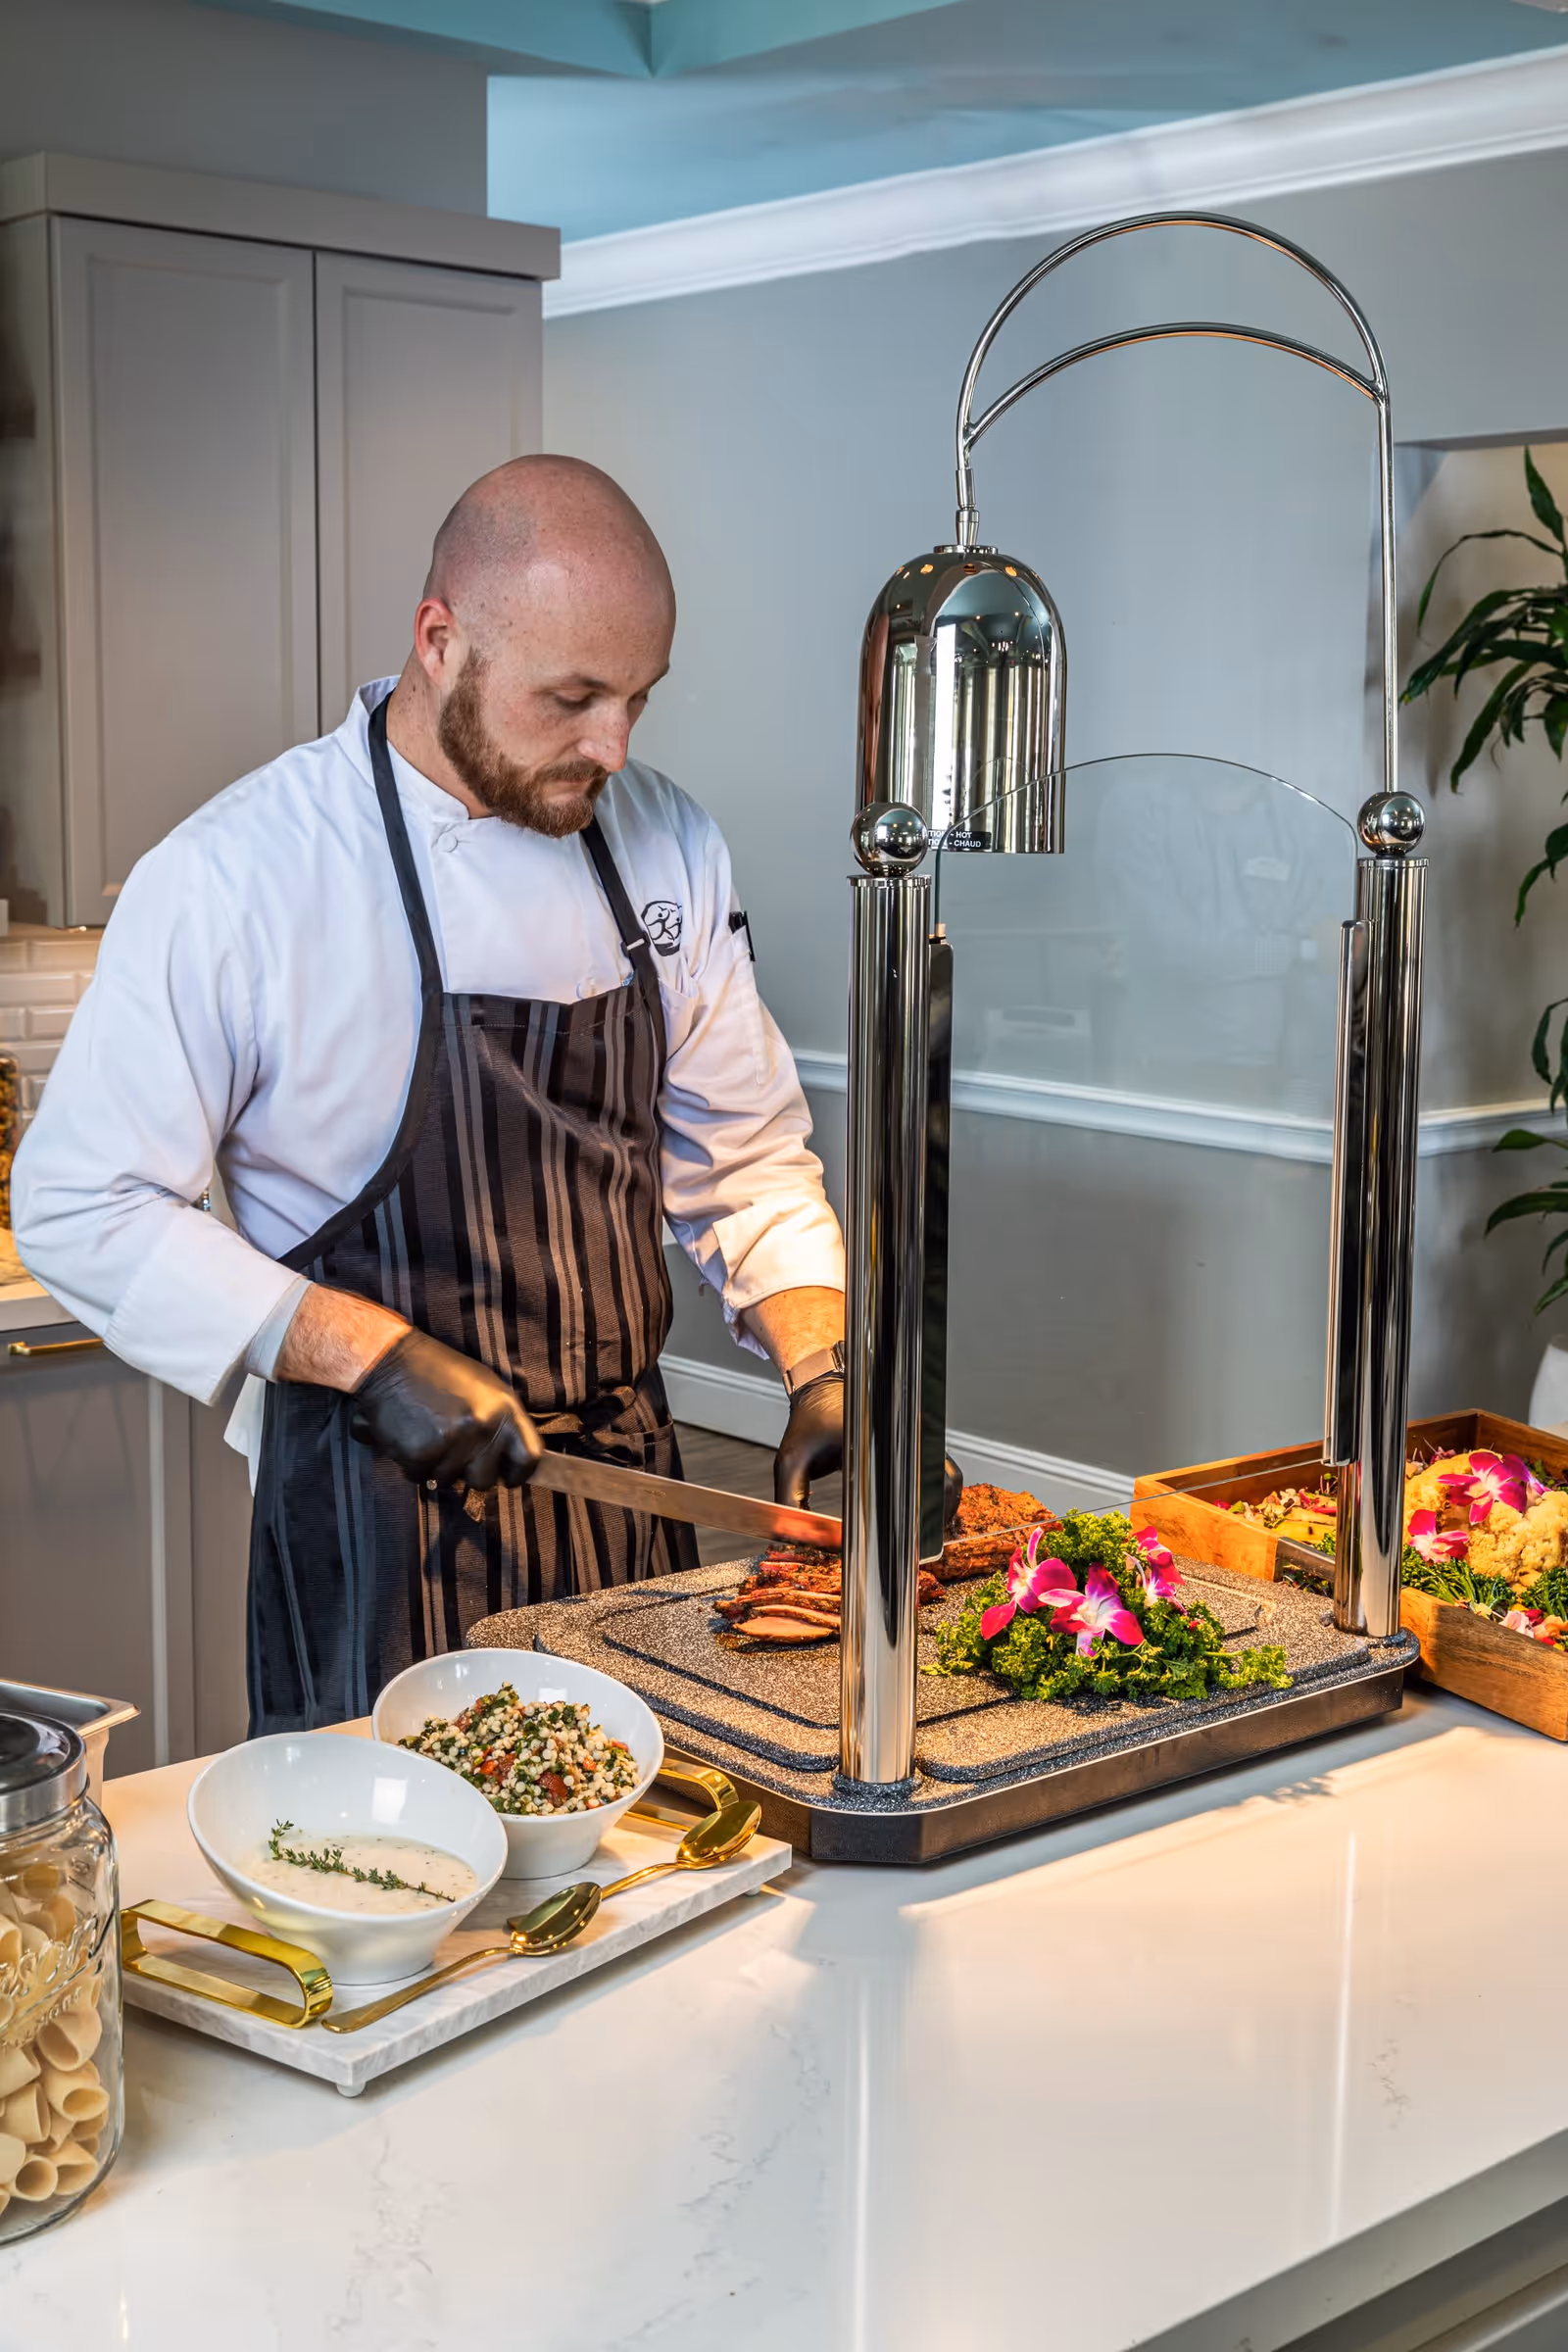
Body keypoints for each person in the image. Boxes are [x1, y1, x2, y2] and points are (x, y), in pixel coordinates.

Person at [13, 456, 848, 1732]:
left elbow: (741, 1154)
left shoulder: (667, 838)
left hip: (628, 1495)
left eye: (639, 698)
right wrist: (365, 1353)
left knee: (666, 1875)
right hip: (377, 1513)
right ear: (441, 642)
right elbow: (83, 1203)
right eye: (571, 697)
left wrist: (819, 1363)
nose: (613, 747)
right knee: (406, 1899)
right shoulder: (242, 875)